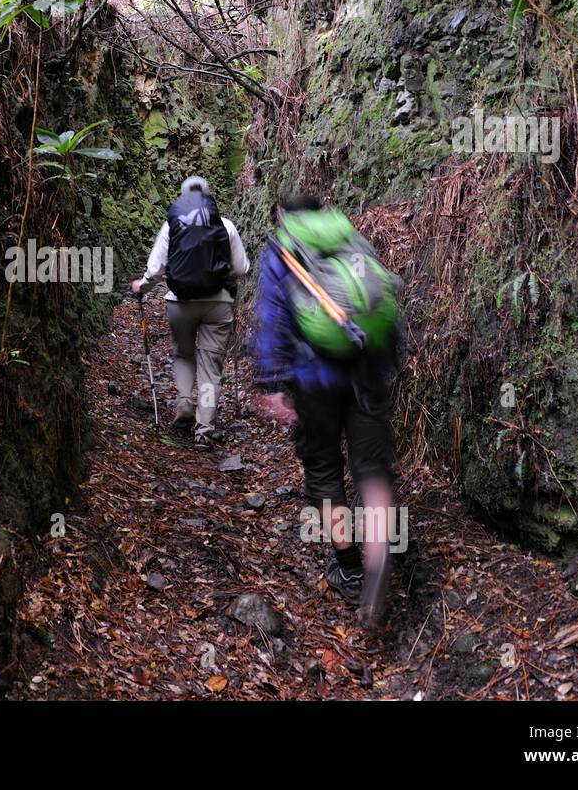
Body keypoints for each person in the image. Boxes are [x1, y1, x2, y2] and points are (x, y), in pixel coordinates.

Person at [251, 195, 403, 629]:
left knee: (323, 468)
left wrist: (271, 383)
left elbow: (272, 315)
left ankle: (350, 568)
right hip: (365, 369)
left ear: (283, 214)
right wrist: (387, 361)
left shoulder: (283, 247)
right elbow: (382, 299)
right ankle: (378, 567)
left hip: (313, 379)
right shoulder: (347, 233)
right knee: (372, 469)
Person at [131, 176, 250, 450]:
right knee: (210, 367)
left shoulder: (172, 224)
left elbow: (157, 268)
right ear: (209, 197)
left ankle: (185, 403)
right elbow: (242, 268)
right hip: (218, 304)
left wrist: (142, 286)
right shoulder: (225, 225)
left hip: (180, 303)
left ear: (182, 197)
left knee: (184, 353)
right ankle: (204, 429)